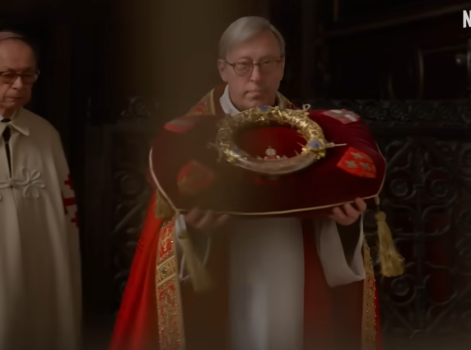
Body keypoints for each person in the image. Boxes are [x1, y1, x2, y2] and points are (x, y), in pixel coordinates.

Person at [110, 16, 381, 350]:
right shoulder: (184, 142)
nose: (256, 76)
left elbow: (334, 219)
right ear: (223, 69)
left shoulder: (318, 136)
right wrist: (190, 230)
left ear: (282, 66)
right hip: (221, 284)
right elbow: (163, 239)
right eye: (243, 64)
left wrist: (345, 225)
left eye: (268, 62)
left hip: (295, 279)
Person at [0, 31, 81, 350]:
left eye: (27, 75)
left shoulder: (45, 136)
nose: (18, 85)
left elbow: (65, 220)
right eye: (7, 75)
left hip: (39, 280)